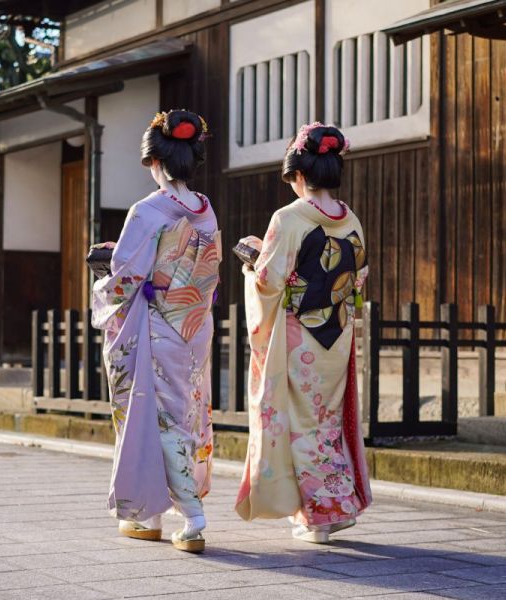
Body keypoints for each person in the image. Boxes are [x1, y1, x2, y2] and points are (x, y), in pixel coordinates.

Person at [234, 123, 372, 544]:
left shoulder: (289, 217)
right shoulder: (352, 221)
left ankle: (321, 515)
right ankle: (336, 503)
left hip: (300, 335)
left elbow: (270, 283)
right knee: (325, 420)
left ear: (298, 176)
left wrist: (251, 262)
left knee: (302, 421)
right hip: (338, 331)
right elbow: (358, 278)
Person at [91, 109, 221, 554]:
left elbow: (126, 281)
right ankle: (147, 514)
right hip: (194, 324)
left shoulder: (147, 210)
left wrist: (104, 276)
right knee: (184, 412)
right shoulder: (205, 209)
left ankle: (192, 516)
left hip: (157, 328)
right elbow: (195, 270)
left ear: (155, 163)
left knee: (157, 418)